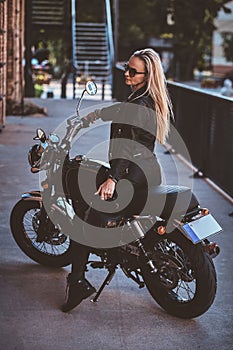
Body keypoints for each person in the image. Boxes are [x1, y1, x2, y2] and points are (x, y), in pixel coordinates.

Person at [61, 48, 173, 312]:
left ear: (147, 75)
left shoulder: (139, 103)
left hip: (129, 174)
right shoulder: (143, 98)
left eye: (132, 71)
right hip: (145, 170)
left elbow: (127, 145)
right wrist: (94, 116)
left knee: (84, 219)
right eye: (126, 67)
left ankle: (77, 282)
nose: (126, 73)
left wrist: (112, 178)